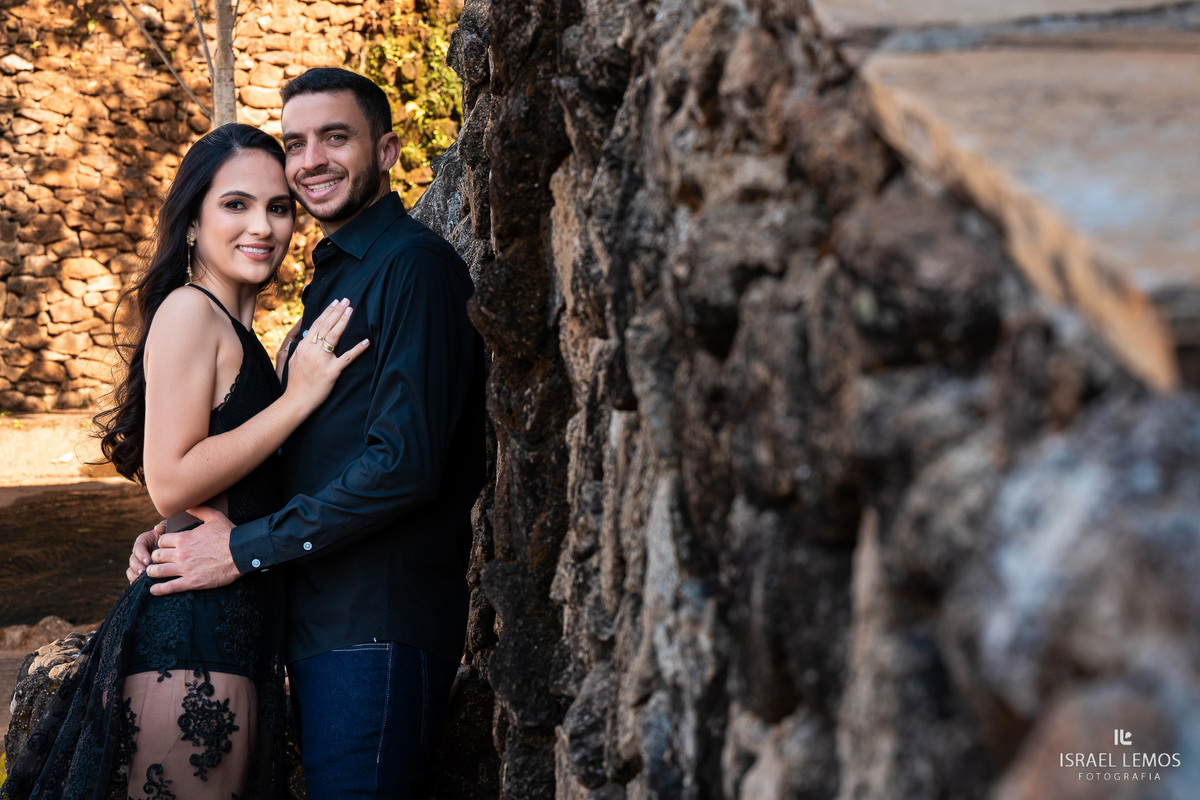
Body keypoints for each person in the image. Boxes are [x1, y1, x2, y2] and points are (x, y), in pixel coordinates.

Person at [131, 68, 487, 799]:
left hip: (375, 623)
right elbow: (291, 456)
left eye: (335, 137)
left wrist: (239, 545)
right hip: (314, 623)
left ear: (386, 150)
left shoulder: (411, 269)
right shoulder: (331, 284)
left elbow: (402, 464)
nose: (311, 159)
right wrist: (189, 527)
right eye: (296, 142)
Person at [0, 124, 368, 800]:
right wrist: (301, 399)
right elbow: (170, 479)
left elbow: (226, 480)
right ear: (192, 222)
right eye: (236, 204)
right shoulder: (189, 312)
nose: (264, 225)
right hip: (193, 640)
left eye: (279, 207)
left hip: (227, 631)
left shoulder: (235, 332)